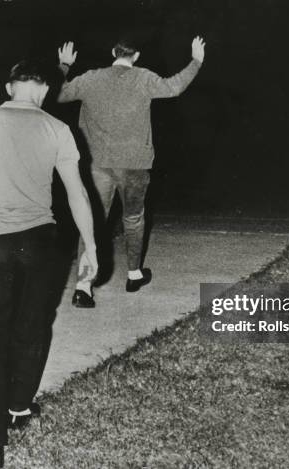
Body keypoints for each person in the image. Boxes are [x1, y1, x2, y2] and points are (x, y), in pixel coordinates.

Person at [0, 59, 97, 468]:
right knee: (31, 329)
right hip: (38, 244)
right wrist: (93, 249)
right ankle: (18, 406)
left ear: (10, 87)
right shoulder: (57, 128)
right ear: (44, 91)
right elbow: (77, 195)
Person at [56, 35, 206, 308]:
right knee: (134, 218)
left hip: (98, 163)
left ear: (113, 52)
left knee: (92, 222)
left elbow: (58, 93)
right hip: (135, 164)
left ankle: (83, 286)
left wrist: (64, 66)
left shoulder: (90, 78)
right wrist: (196, 61)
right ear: (136, 56)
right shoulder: (144, 77)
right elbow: (175, 87)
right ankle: (134, 274)